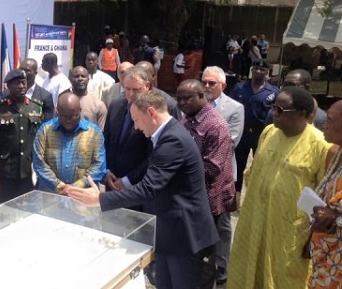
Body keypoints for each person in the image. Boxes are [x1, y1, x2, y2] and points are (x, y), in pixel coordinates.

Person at [68, 90, 219, 289]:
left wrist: (101, 199)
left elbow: (148, 189)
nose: (136, 127)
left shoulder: (173, 140)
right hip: (169, 232)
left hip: (185, 236)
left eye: (136, 120)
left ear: (151, 113)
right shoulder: (168, 134)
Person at [227, 87, 336, 289]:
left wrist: (311, 240)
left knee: (282, 279)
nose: (273, 114)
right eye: (273, 108)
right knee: (247, 273)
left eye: (280, 110)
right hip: (255, 220)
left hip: (289, 232)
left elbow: (324, 197)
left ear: (303, 114)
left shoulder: (320, 146)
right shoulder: (269, 132)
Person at [177, 79, 236, 287]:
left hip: (210, 200)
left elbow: (212, 168)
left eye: (188, 98)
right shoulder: (187, 120)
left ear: (202, 96)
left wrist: (175, 173)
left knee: (205, 254)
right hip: (188, 198)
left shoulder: (216, 125)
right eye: (179, 99)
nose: (182, 103)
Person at [202, 66, 244, 286]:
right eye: (205, 82)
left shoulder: (235, 108)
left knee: (223, 224)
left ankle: (222, 267)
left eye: (212, 83)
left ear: (223, 86)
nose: (207, 86)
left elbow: (231, 141)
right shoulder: (194, 104)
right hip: (198, 175)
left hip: (223, 175)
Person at [0, 69, 43, 204]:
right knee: (5, 210)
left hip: (30, 170)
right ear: (8, 86)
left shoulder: (37, 107)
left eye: (23, 83)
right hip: (6, 170)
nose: (22, 86)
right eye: (17, 83)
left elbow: (42, 139)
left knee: (29, 210)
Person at [32, 92, 106, 194]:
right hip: (50, 197)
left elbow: (99, 165)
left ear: (80, 111)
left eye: (73, 116)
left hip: (83, 197)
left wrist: (76, 187)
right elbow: (39, 163)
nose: (68, 120)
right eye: (64, 116)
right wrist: (59, 186)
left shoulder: (94, 133)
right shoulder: (44, 131)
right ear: (57, 111)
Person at [231, 58, 279, 201]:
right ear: (252, 70)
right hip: (242, 134)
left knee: (260, 167)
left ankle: (255, 198)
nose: (259, 71)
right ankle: (235, 197)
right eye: (256, 68)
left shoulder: (274, 92)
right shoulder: (239, 88)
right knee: (238, 167)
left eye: (263, 69)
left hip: (261, 135)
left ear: (267, 72)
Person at [309, 100, 342, 288]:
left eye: (330, 120)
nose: (324, 124)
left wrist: (335, 218)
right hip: (326, 257)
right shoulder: (337, 153)